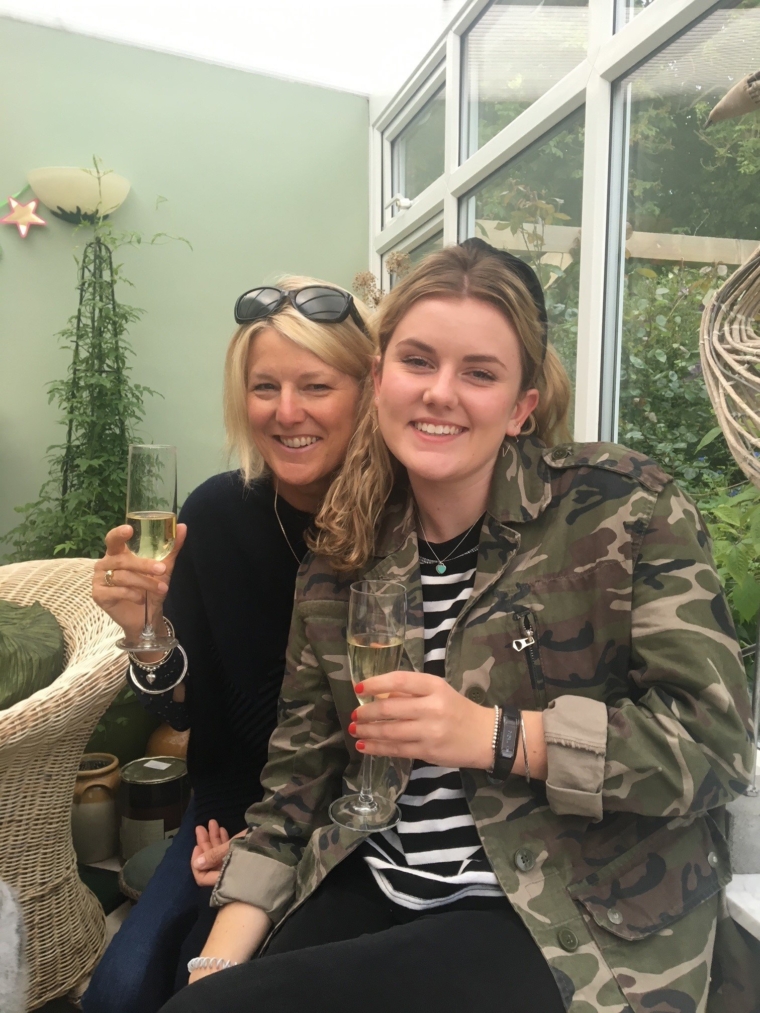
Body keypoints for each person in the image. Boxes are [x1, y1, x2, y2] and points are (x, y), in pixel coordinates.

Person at [162, 240, 756, 1013]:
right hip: (382, 880)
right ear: (379, 381)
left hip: (567, 913)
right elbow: (293, 794)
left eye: (479, 373)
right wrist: (214, 965)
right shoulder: (345, 554)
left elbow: (715, 746)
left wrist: (496, 735)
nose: (441, 393)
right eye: (417, 361)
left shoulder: (625, 509)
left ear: (521, 406)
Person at [83, 278, 374, 1013]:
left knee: (221, 981)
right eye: (264, 386)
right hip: (224, 805)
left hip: (352, 816)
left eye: (316, 385)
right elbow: (183, 708)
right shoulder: (215, 511)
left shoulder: (398, 522)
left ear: (365, 392)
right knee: (119, 993)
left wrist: (278, 847)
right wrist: (143, 630)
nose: (287, 412)